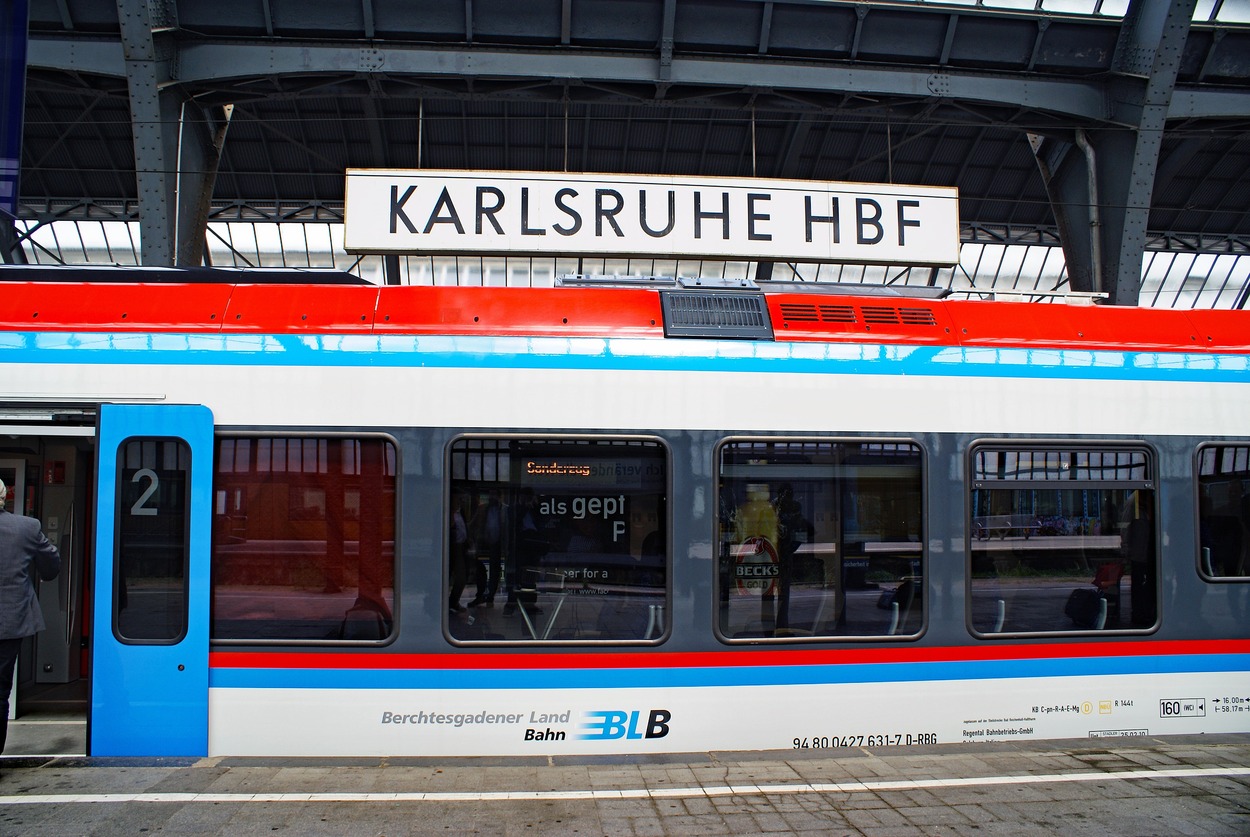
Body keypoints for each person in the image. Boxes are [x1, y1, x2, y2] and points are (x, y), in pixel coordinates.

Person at [0, 478, 60, 755]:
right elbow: (50, 567)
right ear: (5, 496)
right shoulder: (26, 527)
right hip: (9, 622)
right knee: (0, 693)